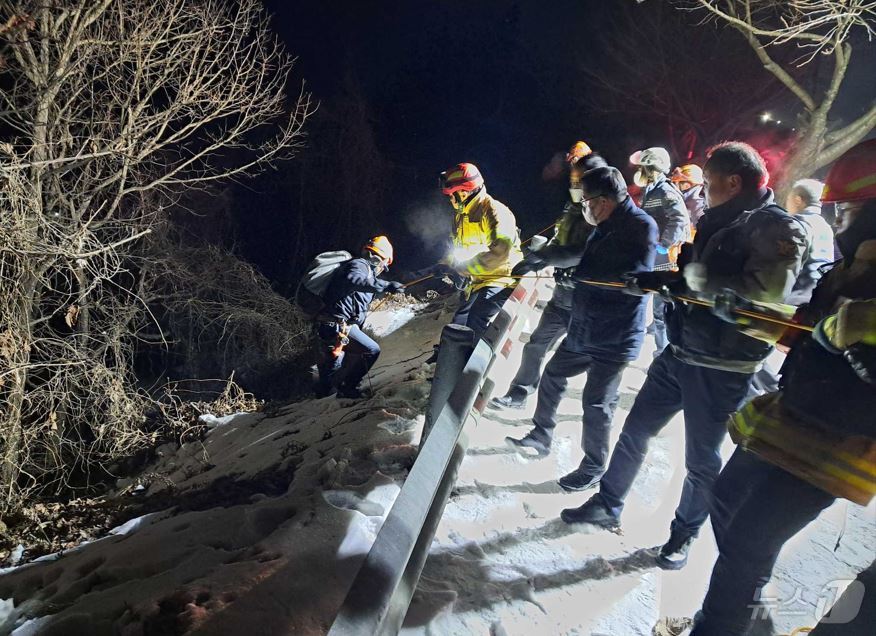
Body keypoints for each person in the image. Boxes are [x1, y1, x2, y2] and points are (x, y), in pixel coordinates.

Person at [560, 142, 808, 571]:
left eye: (709, 183)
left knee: (701, 460)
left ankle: (683, 533)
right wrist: (658, 279)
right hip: (680, 351)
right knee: (636, 430)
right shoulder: (719, 219)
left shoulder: (777, 228)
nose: (704, 190)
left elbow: (765, 291)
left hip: (722, 366)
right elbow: (693, 281)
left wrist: (695, 278)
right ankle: (608, 502)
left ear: (733, 182)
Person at [686, 139, 876, 636]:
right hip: (797, 412)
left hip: (842, 438)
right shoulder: (852, 268)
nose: (843, 222)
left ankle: (720, 626)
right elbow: (815, 327)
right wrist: (760, 321)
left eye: (855, 209)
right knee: (726, 497)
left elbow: (851, 334)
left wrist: (865, 326)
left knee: (748, 542)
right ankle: (751, 620)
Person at [506, 166, 657, 493]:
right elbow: (578, 253)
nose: (584, 206)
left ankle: (592, 468)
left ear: (603, 201)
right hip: (585, 326)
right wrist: (543, 258)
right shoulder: (603, 227)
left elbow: (636, 274)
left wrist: (594, 277)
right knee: (552, 376)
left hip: (615, 335)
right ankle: (541, 434)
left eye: (587, 200)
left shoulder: (641, 226)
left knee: (597, 403)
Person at [490, 142, 607, 409]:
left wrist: (544, 258)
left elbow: (584, 252)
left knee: (584, 358)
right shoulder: (573, 207)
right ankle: (519, 394)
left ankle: (593, 405)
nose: (574, 181)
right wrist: (539, 254)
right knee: (536, 345)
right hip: (562, 296)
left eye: (579, 177)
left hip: (587, 302)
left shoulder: (602, 212)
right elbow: (560, 240)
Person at [433, 163, 523, 350]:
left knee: (477, 317)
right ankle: (450, 357)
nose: (450, 200)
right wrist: (446, 264)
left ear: (463, 193)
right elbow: (456, 249)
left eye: (451, 195)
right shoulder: (460, 216)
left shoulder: (494, 211)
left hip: (502, 279)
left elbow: (499, 253)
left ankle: (477, 367)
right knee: (458, 323)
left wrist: (463, 269)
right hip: (479, 281)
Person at [314, 236, 405, 399]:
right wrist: (385, 286)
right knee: (370, 350)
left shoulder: (366, 271)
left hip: (335, 325)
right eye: (385, 264)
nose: (383, 269)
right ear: (380, 258)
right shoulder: (359, 265)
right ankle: (342, 391)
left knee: (335, 365)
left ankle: (334, 393)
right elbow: (354, 279)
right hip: (335, 325)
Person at [631, 147, 690, 356]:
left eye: (642, 166)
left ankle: (663, 353)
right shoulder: (651, 190)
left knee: (661, 311)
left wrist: (663, 245)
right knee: (647, 303)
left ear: (651, 167)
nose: (639, 170)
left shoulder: (665, 191)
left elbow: (680, 219)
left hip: (663, 260)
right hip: (652, 257)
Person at [785, 178, 836, 305]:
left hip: (793, 300)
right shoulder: (826, 227)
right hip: (817, 298)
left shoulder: (796, 224)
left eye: (787, 199)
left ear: (798, 200)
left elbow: (784, 267)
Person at [670, 163, 706, 228]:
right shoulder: (677, 202)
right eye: (675, 183)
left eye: (682, 184)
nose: (676, 187)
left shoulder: (699, 206)